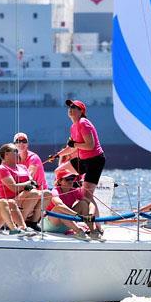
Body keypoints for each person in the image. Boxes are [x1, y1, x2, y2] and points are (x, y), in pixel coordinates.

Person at [47, 99, 106, 238]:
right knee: (59, 171)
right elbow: (71, 147)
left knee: (87, 196)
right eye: (69, 107)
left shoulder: (83, 123)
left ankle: (98, 227)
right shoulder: (73, 126)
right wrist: (56, 155)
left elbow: (90, 146)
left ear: (81, 111)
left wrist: (74, 144)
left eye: (74, 107)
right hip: (83, 160)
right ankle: (64, 187)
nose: (71, 109)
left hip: (95, 160)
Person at [0, 143, 53, 229]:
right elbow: (14, 187)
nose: (18, 153)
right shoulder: (2, 169)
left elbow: (31, 181)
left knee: (47, 194)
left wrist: (31, 183)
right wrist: (28, 184)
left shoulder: (23, 167)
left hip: (25, 196)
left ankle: (32, 223)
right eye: (15, 151)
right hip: (11, 201)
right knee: (34, 193)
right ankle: (21, 224)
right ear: (6, 154)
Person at [41, 173, 90, 239]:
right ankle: (79, 232)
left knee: (83, 203)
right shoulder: (54, 191)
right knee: (59, 209)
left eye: (72, 179)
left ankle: (92, 231)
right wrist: (76, 215)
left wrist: (91, 215)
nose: (70, 181)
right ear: (59, 181)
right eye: (67, 179)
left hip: (67, 223)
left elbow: (90, 203)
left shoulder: (75, 191)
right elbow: (59, 205)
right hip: (51, 225)